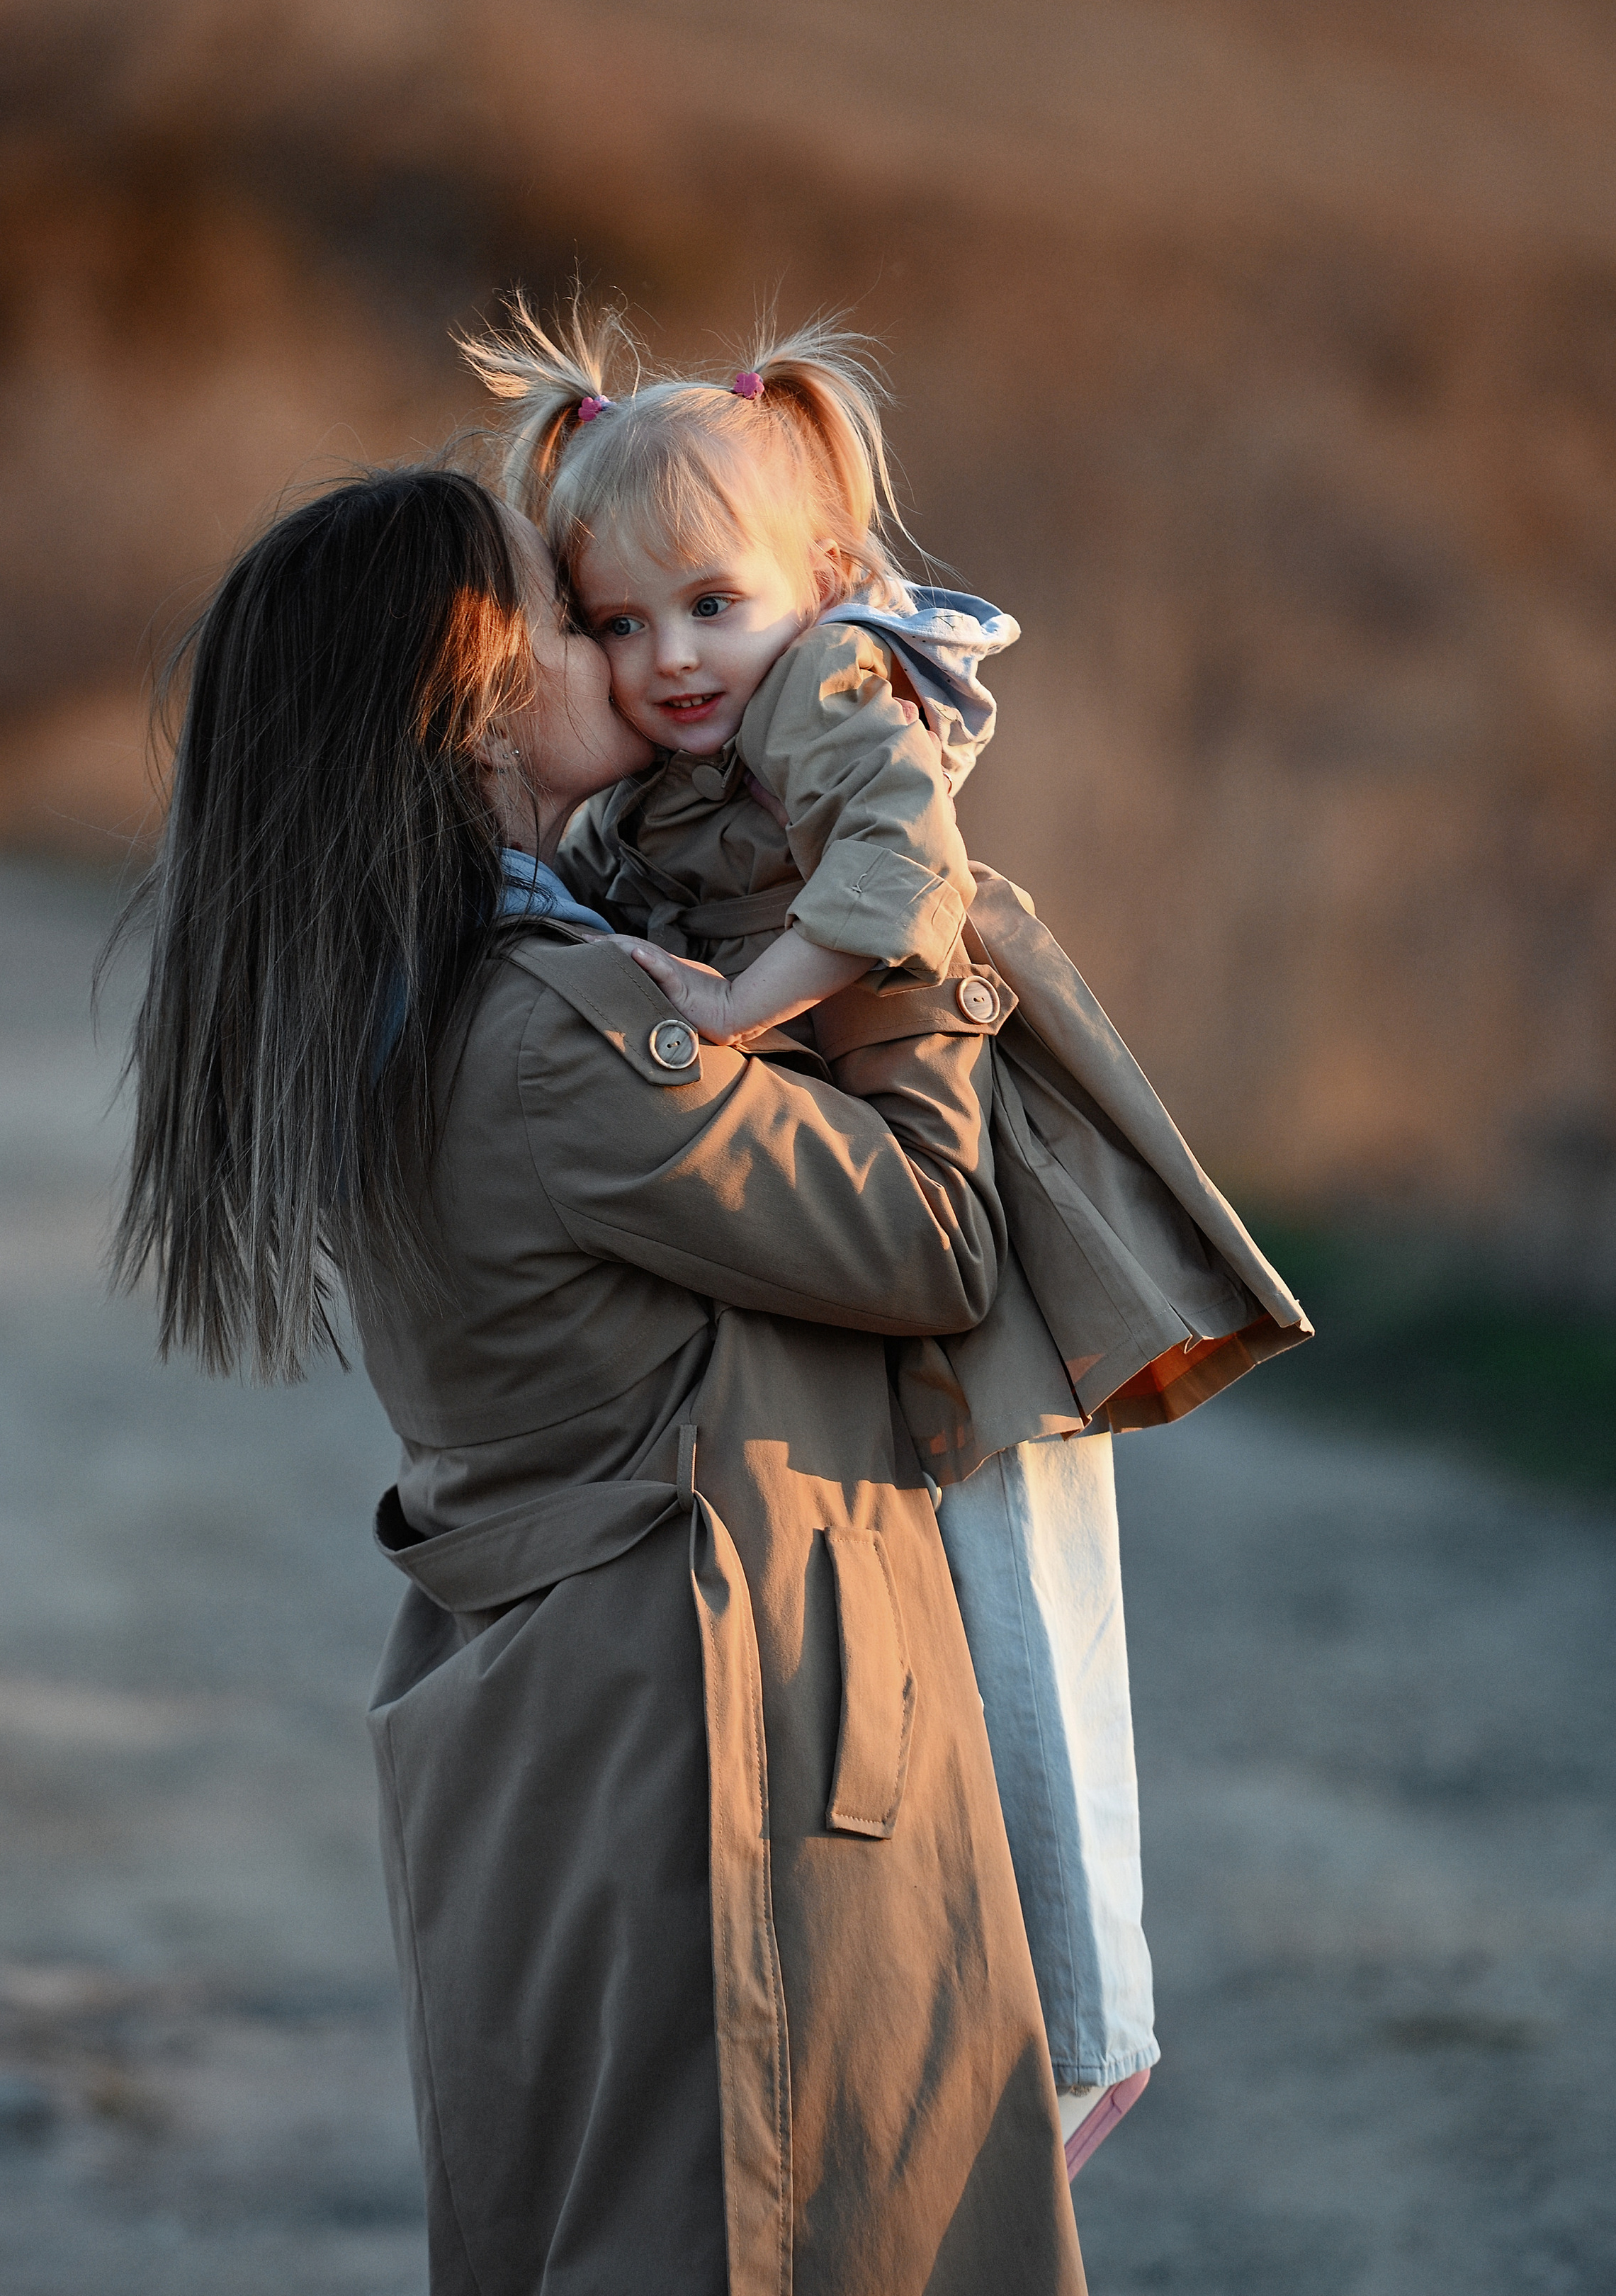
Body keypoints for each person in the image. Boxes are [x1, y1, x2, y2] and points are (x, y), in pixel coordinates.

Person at [105, 463, 1091, 2295]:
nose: (628, 653)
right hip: (714, 1752)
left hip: (562, 1737)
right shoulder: (558, 1034)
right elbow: (937, 1240)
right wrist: (900, 912)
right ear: (477, 698)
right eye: (575, 617)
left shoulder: (414, 998)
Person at [460, 301, 1313, 2156]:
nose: (671, 658)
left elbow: (897, 873)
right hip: (867, 1145)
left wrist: (728, 1009)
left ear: (827, 574)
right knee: (923, 1610)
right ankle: (973, 2011)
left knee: (1021, 1590)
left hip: (990, 1162)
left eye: (713, 603)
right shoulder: (679, 760)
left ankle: (1091, 2028)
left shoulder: (833, 681)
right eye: (619, 623)